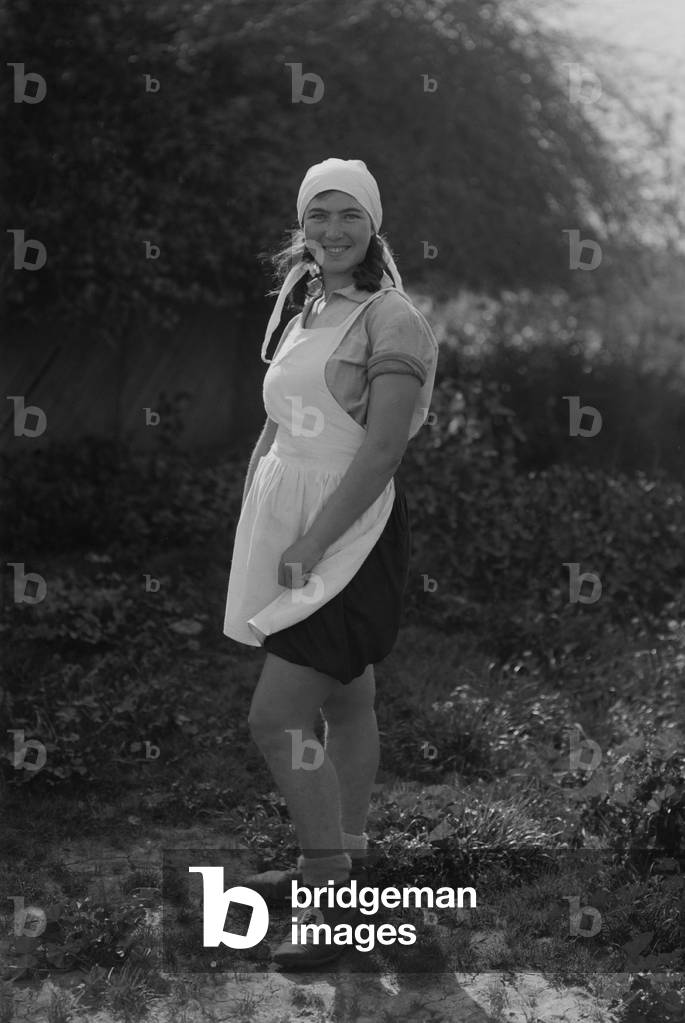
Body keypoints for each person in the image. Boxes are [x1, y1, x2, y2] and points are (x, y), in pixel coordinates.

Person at [223, 157, 438, 968]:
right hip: (287, 526)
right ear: (302, 228)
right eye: (319, 217)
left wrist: (312, 542)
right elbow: (278, 425)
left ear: (373, 224)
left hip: (350, 535)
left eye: (349, 216)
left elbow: (381, 448)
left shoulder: (393, 319)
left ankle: (329, 893)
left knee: (274, 719)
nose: (332, 231)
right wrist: (258, 517)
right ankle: (345, 850)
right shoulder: (303, 304)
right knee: (347, 703)